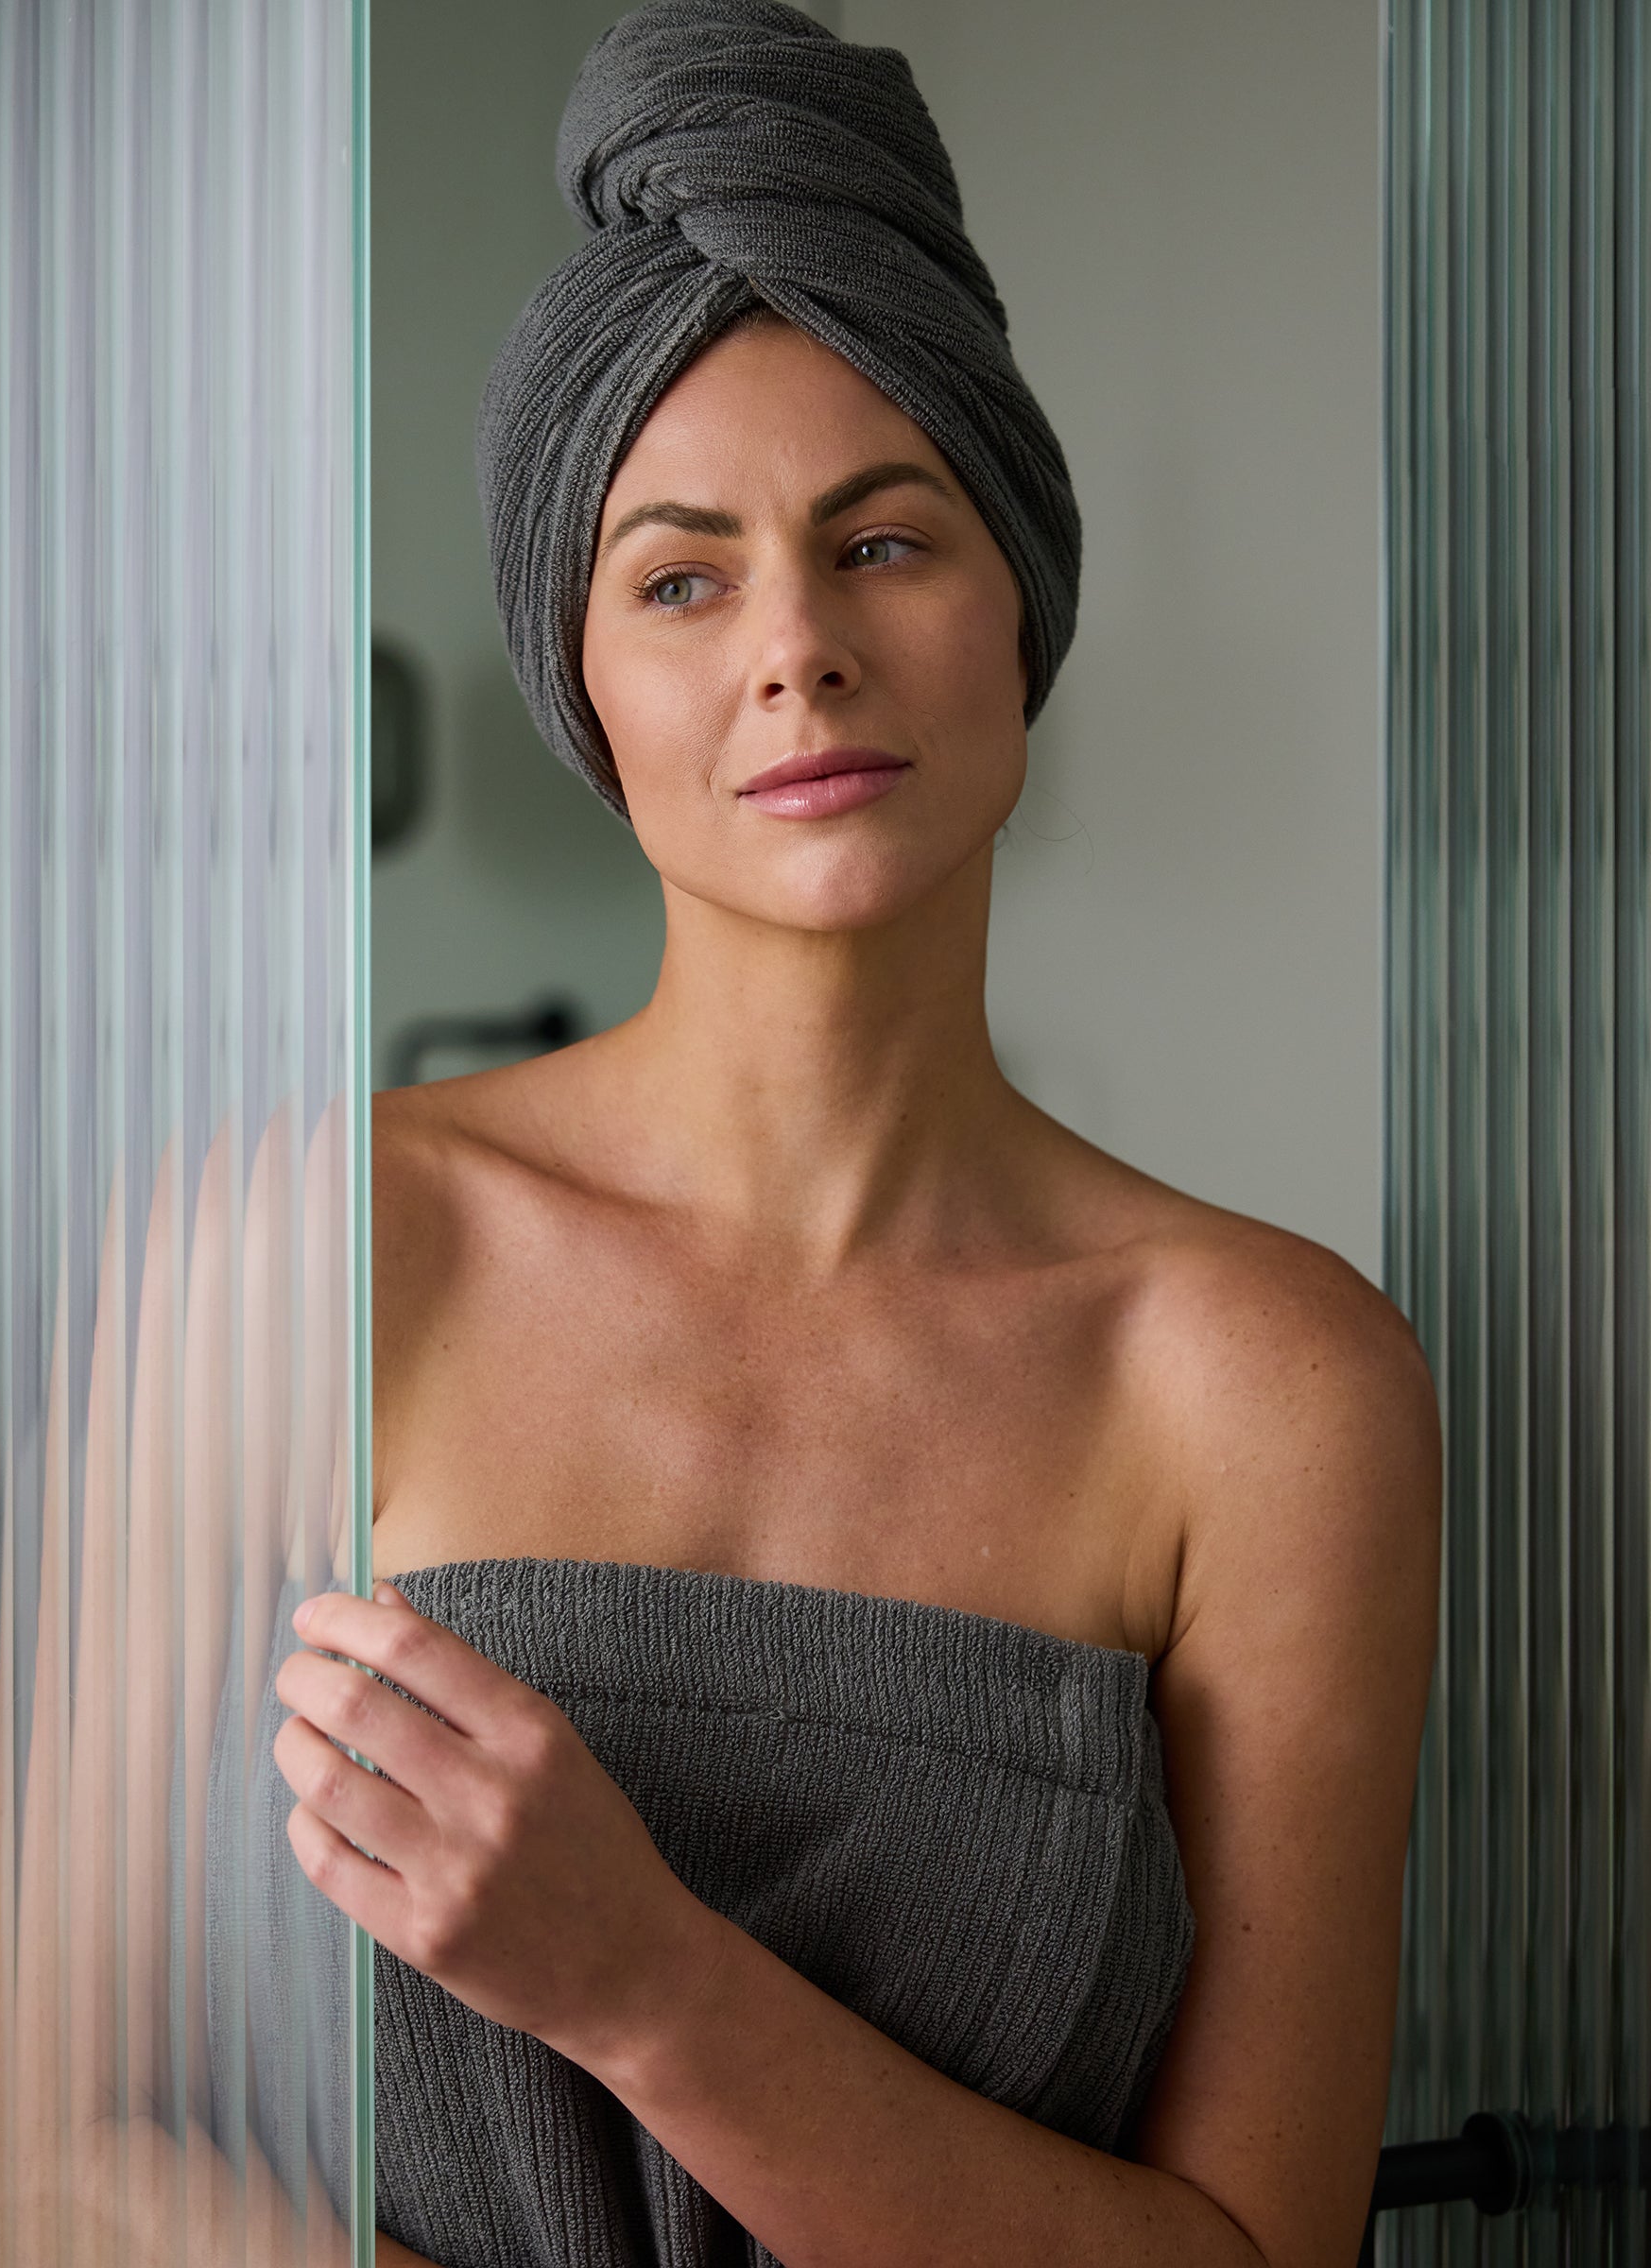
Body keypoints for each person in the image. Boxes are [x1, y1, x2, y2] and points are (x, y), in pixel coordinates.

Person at [267, 8, 1443, 2265]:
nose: (795, 648)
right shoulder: (319, 1245)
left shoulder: (1274, 1388)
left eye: (885, 541)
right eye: (681, 577)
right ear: (580, 683)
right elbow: (34, 2137)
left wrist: (648, 1987)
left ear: (1024, 611)